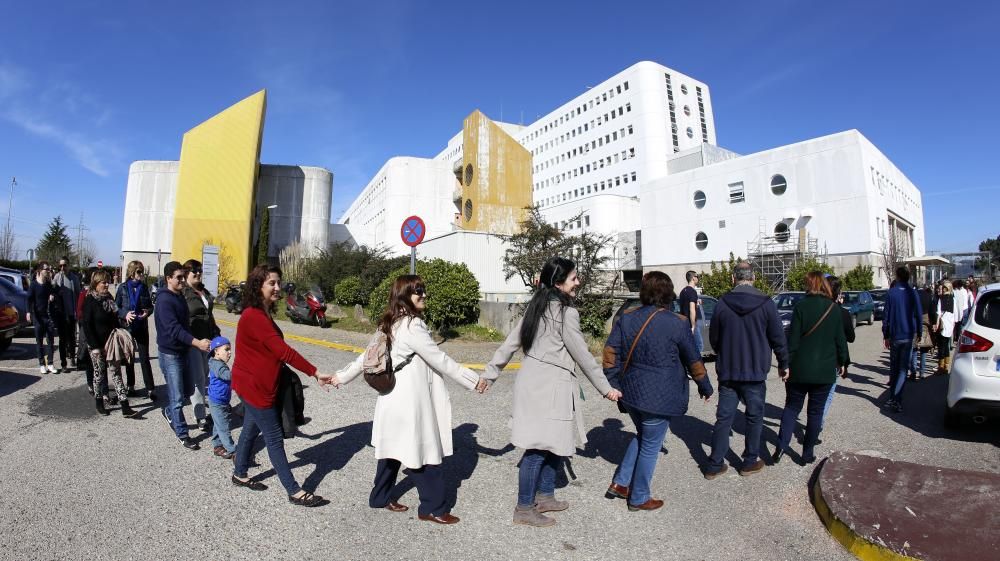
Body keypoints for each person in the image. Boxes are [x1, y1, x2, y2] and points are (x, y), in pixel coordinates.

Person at [335, 274, 489, 523]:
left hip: (391, 399)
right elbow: (440, 359)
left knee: (392, 449)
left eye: (423, 290)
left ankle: (380, 497)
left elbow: (364, 358)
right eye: (418, 291)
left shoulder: (390, 322)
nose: (424, 295)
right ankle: (433, 508)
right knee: (422, 451)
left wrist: (340, 377)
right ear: (405, 295)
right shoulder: (413, 326)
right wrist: (473, 380)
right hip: (410, 402)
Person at [483, 257, 622, 527]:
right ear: (558, 283)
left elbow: (509, 344)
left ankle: (545, 495)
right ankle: (524, 508)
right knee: (537, 448)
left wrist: (490, 374)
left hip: (533, 383)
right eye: (573, 278)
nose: (578, 282)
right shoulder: (566, 314)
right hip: (549, 387)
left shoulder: (536, 307)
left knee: (554, 443)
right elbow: (583, 355)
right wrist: (606, 389)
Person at [603, 271, 713, 507]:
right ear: (668, 293)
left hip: (630, 393)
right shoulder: (678, 323)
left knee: (644, 435)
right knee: (652, 444)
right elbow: (693, 359)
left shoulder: (627, 317)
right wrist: (705, 386)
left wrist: (614, 383)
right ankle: (639, 496)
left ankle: (621, 483)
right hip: (660, 397)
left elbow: (610, 354)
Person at [230, 264, 336, 507]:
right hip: (254, 387)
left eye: (279, 282)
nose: (278, 287)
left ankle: (240, 473)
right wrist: (315, 372)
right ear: (258, 287)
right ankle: (294, 490)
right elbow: (284, 352)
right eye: (272, 283)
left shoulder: (261, 312)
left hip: (254, 383)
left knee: (250, 427)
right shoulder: (254, 316)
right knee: (274, 437)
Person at [704, 262, 786, 479]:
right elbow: (778, 338)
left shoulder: (722, 304)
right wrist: (784, 364)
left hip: (729, 371)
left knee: (724, 418)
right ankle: (749, 461)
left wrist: (725, 351)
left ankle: (715, 464)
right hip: (755, 372)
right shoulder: (766, 303)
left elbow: (715, 339)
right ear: (754, 278)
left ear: (733, 278)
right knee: (754, 417)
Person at [773, 272, 847, 465]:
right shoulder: (834, 309)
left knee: (791, 408)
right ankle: (807, 452)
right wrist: (843, 362)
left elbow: (793, 340)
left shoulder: (801, 307)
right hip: (824, 371)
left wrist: (784, 365)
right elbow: (841, 341)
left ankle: (781, 446)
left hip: (799, 369)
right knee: (815, 413)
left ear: (809, 285)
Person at [155, 261, 211, 450]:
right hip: (170, 354)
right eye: (178, 277)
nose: (181, 280)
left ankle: (169, 411)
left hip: (183, 351)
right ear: (168, 279)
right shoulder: (164, 300)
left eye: (182, 276)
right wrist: (197, 343)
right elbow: (175, 330)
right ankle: (182, 433)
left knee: (187, 391)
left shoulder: (179, 296)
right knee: (178, 397)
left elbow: (186, 324)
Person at [83, 269, 137, 418]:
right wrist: (94, 347)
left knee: (116, 373)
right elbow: (87, 325)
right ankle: (99, 402)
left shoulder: (109, 299)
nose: (107, 285)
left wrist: (124, 319)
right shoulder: (90, 300)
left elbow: (115, 315)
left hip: (110, 343)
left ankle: (125, 406)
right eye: (103, 282)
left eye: (108, 281)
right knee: (99, 375)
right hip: (96, 345)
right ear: (96, 284)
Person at [182, 259, 221, 432]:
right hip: (193, 341)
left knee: (205, 377)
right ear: (186, 274)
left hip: (208, 340)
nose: (198, 273)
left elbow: (209, 315)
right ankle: (201, 417)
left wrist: (216, 334)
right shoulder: (182, 293)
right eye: (194, 271)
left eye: (200, 270)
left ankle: (201, 407)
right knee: (199, 379)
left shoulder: (203, 291)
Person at [881, 267, 922, 413]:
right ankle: (896, 399)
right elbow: (918, 314)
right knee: (903, 369)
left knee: (894, 367)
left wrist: (885, 334)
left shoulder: (891, 293)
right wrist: (920, 332)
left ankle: (893, 398)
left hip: (894, 335)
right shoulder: (912, 292)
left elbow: (886, 316)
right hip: (908, 335)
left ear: (897, 276)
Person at [115, 261, 155, 400]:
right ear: (132, 272)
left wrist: (147, 312)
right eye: (139, 272)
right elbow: (116, 307)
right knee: (129, 358)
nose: (141, 274)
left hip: (141, 327)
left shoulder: (144, 287)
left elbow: (150, 306)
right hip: (127, 327)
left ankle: (150, 389)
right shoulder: (122, 288)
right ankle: (130, 386)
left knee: (144, 358)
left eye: (142, 271)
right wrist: (124, 314)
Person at [819, 276, 854, 432]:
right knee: (828, 393)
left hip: (815, 355)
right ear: (839, 293)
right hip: (834, 359)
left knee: (815, 393)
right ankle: (818, 423)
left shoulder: (815, 307)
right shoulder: (842, 313)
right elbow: (851, 338)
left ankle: (815, 419)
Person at [26, 262, 59, 374]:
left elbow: (54, 293)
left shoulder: (48, 284)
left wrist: (52, 295)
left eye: (49, 269)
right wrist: (28, 312)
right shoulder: (34, 285)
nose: (48, 271)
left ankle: (50, 363)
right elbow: (29, 299)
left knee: (50, 341)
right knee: (39, 342)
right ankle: (42, 364)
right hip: (38, 317)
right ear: (40, 270)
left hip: (48, 317)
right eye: (46, 269)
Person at [207, 336, 236, 459]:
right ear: (216, 351)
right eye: (227, 349)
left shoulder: (217, 363)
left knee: (218, 424)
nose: (230, 352)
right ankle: (233, 451)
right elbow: (227, 376)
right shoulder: (218, 365)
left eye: (230, 350)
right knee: (223, 427)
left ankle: (218, 446)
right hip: (217, 402)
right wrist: (240, 372)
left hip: (220, 400)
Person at [51, 256, 82, 371]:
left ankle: (72, 358)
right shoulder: (57, 277)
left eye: (64, 265)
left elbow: (79, 295)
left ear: (68, 265)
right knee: (62, 340)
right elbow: (52, 290)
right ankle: (63, 363)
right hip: (61, 314)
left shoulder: (74, 278)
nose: (62, 267)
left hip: (71, 314)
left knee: (72, 338)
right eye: (61, 265)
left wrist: (78, 312)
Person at [910, 284, 934, 381]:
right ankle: (922, 372)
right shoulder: (928, 296)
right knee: (923, 350)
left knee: (914, 350)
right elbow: (932, 311)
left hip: (915, 325)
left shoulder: (912, 297)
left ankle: (913, 372)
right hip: (925, 324)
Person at [678, 270, 704, 356]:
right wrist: (693, 326)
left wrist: (696, 302)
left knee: (688, 347)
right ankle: (694, 367)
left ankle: (688, 366)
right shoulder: (692, 291)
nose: (698, 278)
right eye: (697, 277)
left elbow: (685, 306)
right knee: (699, 345)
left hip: (684, 322)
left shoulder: (683, 292)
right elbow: (692, 309)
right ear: (693, 278)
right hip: (691, 323)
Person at [933, 281, 955, 375]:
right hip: (950, 324)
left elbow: (938, 313)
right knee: (946, 345)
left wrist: (937, 324)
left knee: (941, 346)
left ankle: (941, 367)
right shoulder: (954, 299)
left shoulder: (940, 299)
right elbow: (956, 314)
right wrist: (953, 324)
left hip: (943, 324)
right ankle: (946, 366)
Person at [951, 279, 971, 343]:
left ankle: (958, 338)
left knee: (958, 325)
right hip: (966, 309)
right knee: (963, 325)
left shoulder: (957, 292)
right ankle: (961, 338)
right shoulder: (965, 291)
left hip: (960, 309)